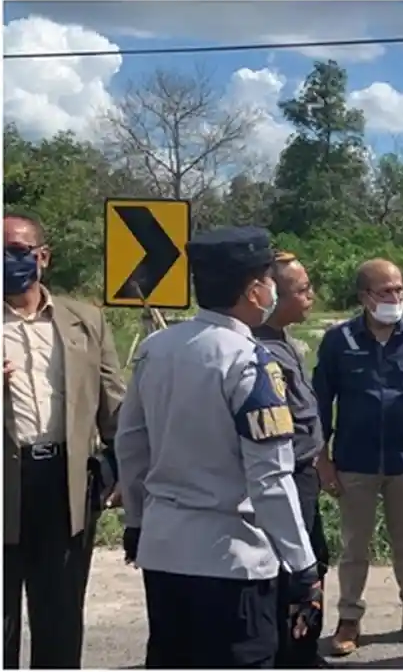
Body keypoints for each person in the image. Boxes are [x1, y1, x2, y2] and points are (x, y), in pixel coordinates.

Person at [115, 226, 321, 669]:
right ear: (253, 290)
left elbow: (131, 445)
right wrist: (302, 566)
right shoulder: (249, 361)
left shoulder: (156, 348)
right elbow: (269, 479)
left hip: (165, 552)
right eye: (268, 279)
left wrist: (136, 521)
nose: (270, 289)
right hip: (233, 561)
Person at [3, 209, 124, 669]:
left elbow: (114, 404)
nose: (7, 262)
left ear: (42, 257)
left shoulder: (84, 320)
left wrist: (124, 466)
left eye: (17, 252)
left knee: (60, 618)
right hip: (4, 486)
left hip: (65, 486)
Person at [311, 259, 403, 656]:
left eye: (399, 290)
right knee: (355, 546)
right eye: (385, 291)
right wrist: (323, 459)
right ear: (364, 298)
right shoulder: (339, 341)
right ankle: (350, 619)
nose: (395, 297)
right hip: (354, 462)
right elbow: (321, 403)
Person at [252, 251, 332, 668]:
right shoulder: (258, 350)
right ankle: (290, 653)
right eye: (301, 290)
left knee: (314, 558)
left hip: (304, 473)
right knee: (293, 567)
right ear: (272, 297)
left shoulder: (287, 342)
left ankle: (303, 648)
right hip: (283, 475)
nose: (310, 296)